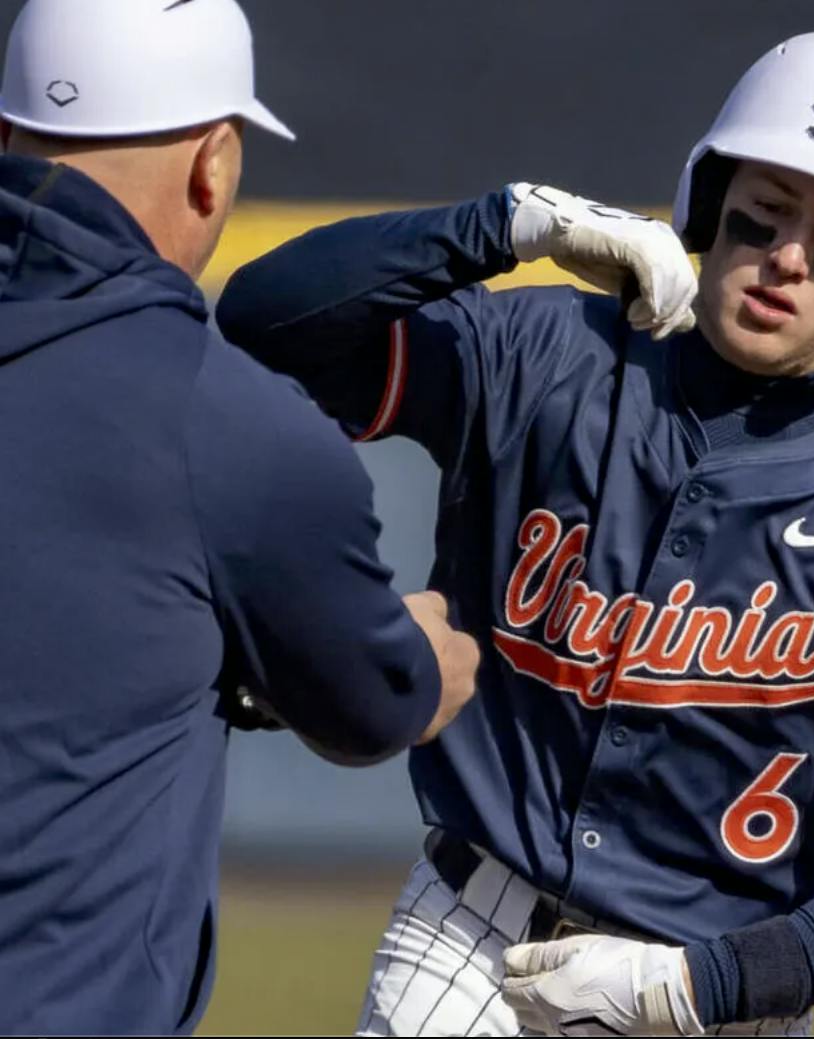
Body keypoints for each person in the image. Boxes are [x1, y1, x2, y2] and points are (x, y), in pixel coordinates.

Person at [218, 31, 814, 1036]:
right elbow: (267, 323)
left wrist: (699, 986)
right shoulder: (545, 357)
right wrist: (505, 222)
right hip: (468, 933)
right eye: (768, 207)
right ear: (709, 197)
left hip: (715, 988)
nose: (787, 255)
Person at [0, 1, 480, 1034]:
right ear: (214, 162)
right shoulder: (221, 416)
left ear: (6, 136)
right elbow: (372, 702)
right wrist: (422, 663)